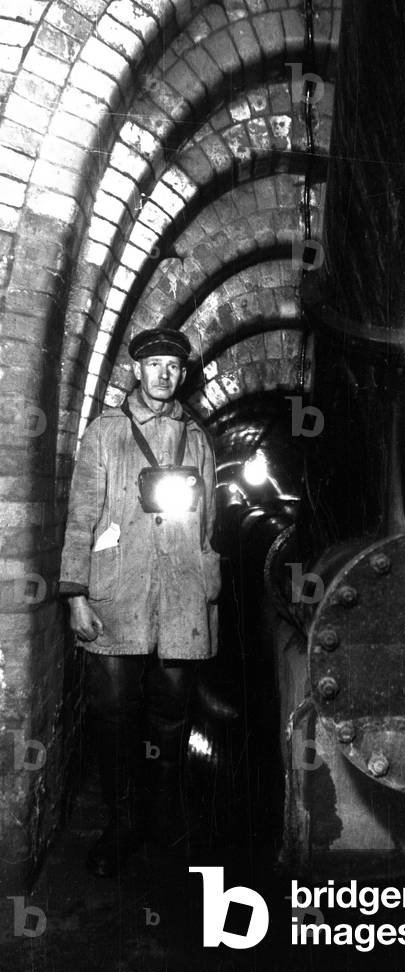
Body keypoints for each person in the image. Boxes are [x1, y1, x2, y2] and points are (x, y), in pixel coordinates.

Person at [59, 328, 221, 877]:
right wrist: (76, 595)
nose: (163, 375)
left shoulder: (196, 437)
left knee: (172, 716)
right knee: (112, 716)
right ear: (137, 370)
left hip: (178, 599)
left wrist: (206, 589)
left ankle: (162, 815)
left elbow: (210, 523)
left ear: (182, 374)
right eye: (153, 365)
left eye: (172, 367)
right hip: (117, 596)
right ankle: (121, 822)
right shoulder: (106, 433)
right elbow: (81, 515)